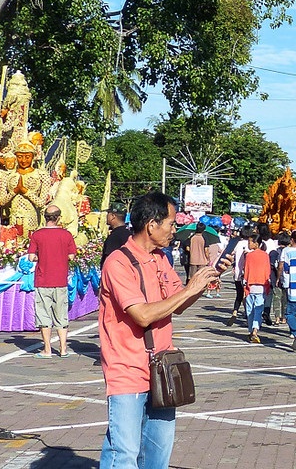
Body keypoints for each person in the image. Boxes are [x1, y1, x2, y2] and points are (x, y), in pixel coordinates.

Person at [98, 190, 219, 469]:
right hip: (127, 370)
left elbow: (179, 305)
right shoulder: (118, 262)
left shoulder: (161, 259)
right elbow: (142, 315)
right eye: (171, 224)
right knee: (124, 454)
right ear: (152, 225)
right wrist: (190, 288)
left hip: (162, 368)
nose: (174, 230)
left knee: (157, 455)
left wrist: (202, 284)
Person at [27, 206, 78, 359]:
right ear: (58, 218)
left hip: (43, 280)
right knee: (61, 315)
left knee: (44, 315)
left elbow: (31, 257)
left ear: (45, 217)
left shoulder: (37, 235)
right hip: (60, 280)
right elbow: (71, 256)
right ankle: (63, 348)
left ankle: (47, 349)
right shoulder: (66, 235)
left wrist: (41, 257)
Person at [240, 234, 272, 344]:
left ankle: (251, 330)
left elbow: (246, 270)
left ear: (256, 243)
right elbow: (267, 271)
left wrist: (245, 284)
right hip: (262, 285)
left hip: (251, 285)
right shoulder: (265, 255)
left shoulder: (249, 256)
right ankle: (255, 329)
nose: (248, 244)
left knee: (250, 310)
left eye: (250, 242)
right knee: (258, 309)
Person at [268, 231, 290, 325]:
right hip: (287, 278)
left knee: (276, 298)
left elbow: (273, 265)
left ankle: (277, 317)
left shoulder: (274, 252)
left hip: (275, 278)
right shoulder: (290, 252)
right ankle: (284, 317)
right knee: (285, 299)